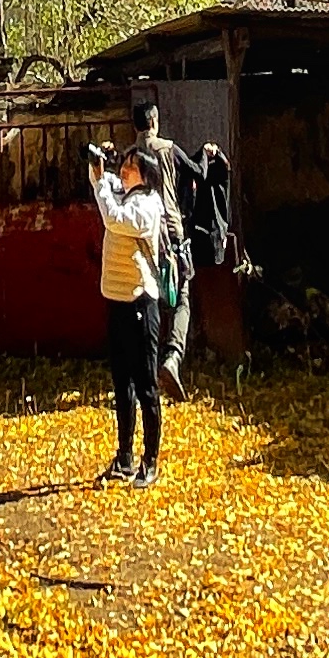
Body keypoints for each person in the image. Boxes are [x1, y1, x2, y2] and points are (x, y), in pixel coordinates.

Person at [88, 139, 173, 486]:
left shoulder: (147, 206)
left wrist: (103, 185)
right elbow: (107, 191)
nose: (122, 171)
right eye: (122, 165)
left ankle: (149, 461)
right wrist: (99, 171)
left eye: (129, 167)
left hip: (140, 304)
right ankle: (124, 457)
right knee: (121, 384)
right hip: (117, 301)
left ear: (146, 176)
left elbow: (113, 218)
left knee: (146, 385)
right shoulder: (123, 195)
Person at [129, 96, 200, 397]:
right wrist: (208, 154)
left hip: (143, 236)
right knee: (182, 295)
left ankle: (145, 366)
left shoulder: (130, 156)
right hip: (172, 232)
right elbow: (196, 171)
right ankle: (172, 357)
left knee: (150, 299)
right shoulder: (168, 148)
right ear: (155, 121)